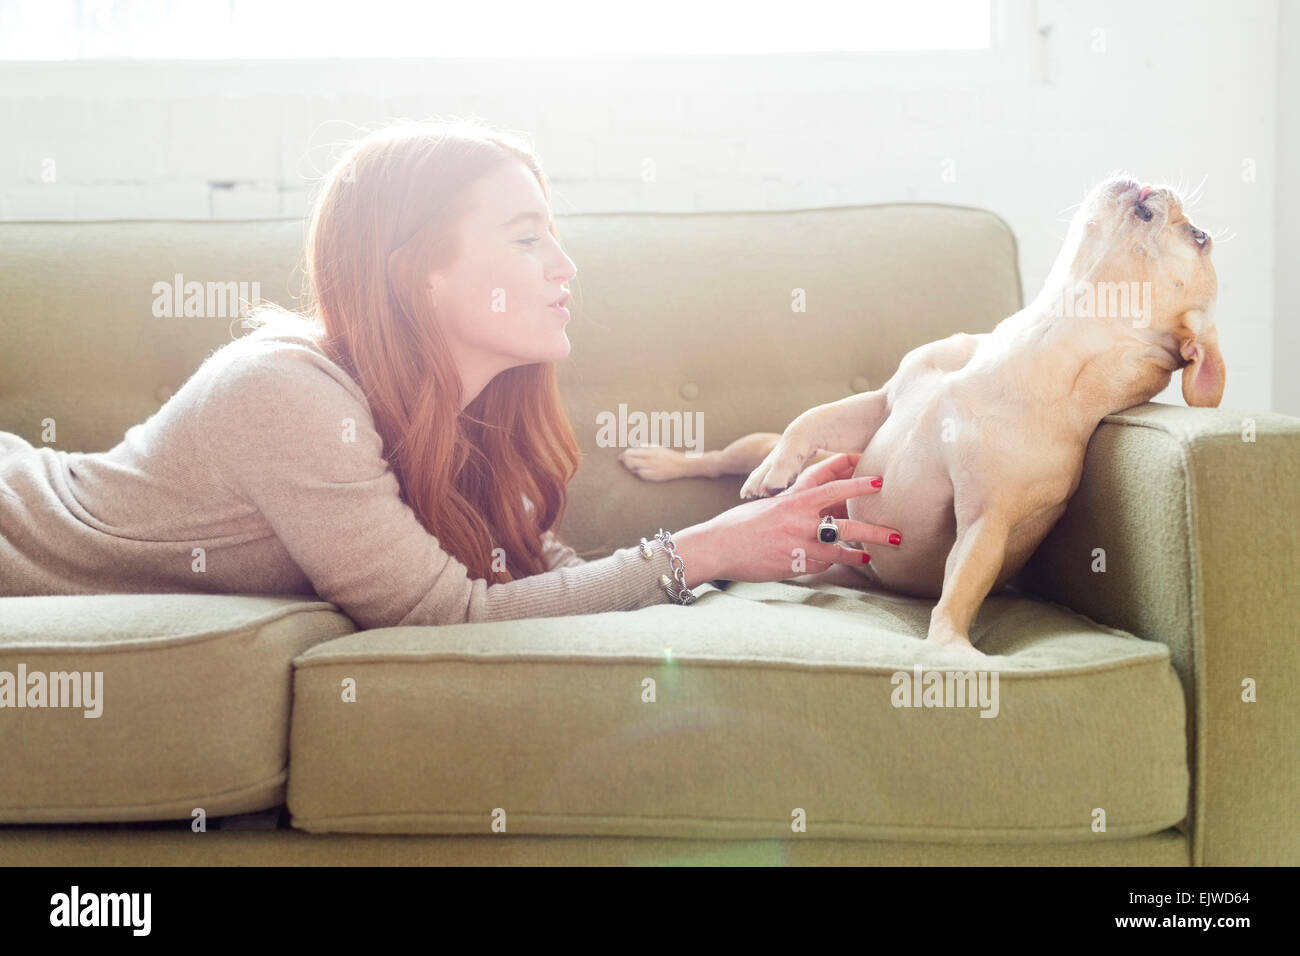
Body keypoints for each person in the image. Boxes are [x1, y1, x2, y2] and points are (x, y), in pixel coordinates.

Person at [0, 118, 902, 629]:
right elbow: (440, 620)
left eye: (553, 232)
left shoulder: (472, 418)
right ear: (415, 271)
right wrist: (709, 546)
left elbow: (548, 587)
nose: (564, 266)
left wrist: (765, 553)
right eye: (525, 237)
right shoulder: (283, 391)